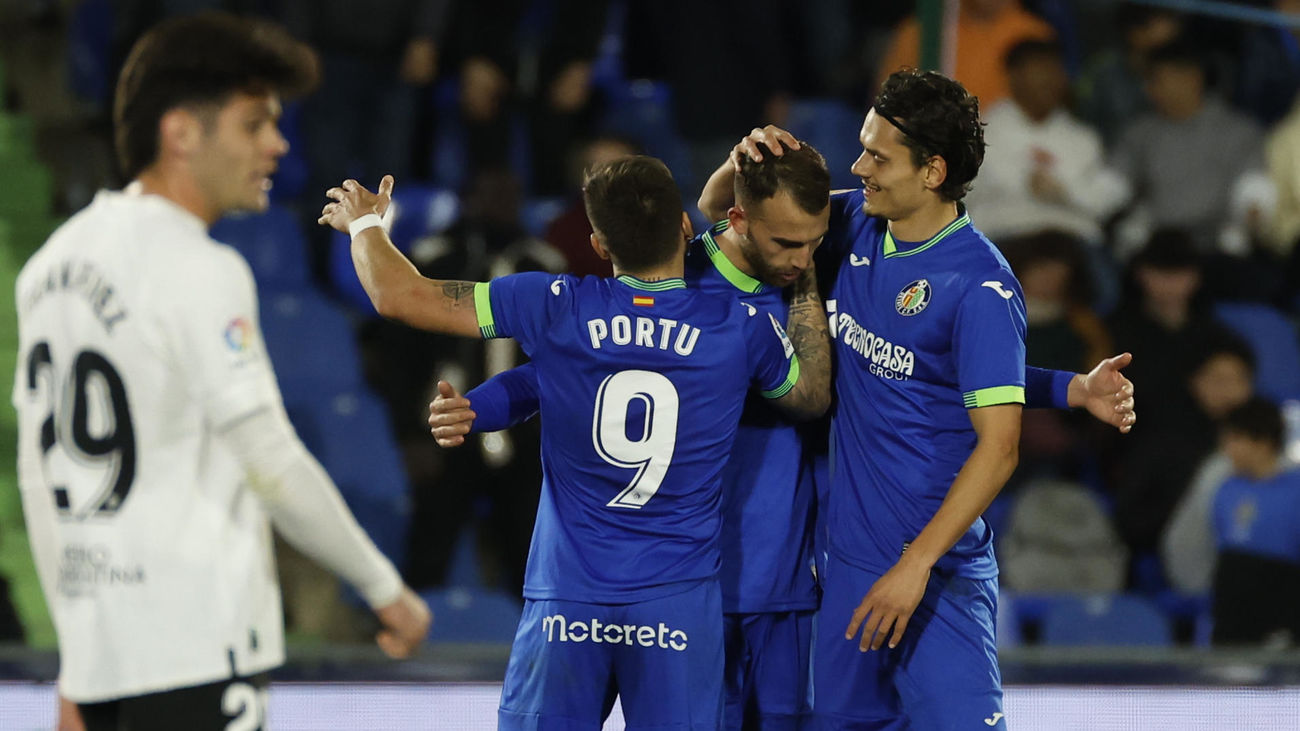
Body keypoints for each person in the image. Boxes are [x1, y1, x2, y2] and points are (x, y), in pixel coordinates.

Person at [435, 126, 1138, 730]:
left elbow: (938, 372)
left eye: (813, 241)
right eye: (786, 241)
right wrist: (486, 406)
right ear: (735, 222)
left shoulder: (815, 279)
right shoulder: (685, 289)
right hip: (689, 587)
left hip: (788, 585)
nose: (803, 256)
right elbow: (569, 376)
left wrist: (1069, 388)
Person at [11, 14, 431, 731]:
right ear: (181, 132)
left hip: (105, 658)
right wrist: (384, 586)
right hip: (199, 649)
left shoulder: (49, 265)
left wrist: (80, 661)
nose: (278, 143)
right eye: (254, 124)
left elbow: (38, 478)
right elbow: (270, 459)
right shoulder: (201, 267)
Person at [318, 156, 832, 728]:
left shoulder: (555, 305)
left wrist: (365, 224)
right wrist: (806, 282)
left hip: (569, 599)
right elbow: (810, 396)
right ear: (686, 229)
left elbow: (400, 296)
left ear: (599, 244)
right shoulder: (738, 328)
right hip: (677, 602)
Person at [698, 69, 1134, 729]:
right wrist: (741, 161)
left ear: (931, 171)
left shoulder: (980, 285)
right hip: (846, 567)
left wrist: (916, 565)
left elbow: (1000, 445)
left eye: (876, 155)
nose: (857, 165)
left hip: (938, 579)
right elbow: (725, 216)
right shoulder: (855, 223)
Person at [1210, 397, 1300, 646]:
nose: (1228, 449)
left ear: (1263, 443)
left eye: (1236, 439)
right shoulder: (1226, 489)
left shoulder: (1296, 491)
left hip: (1285, 608)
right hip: (1233, 614)